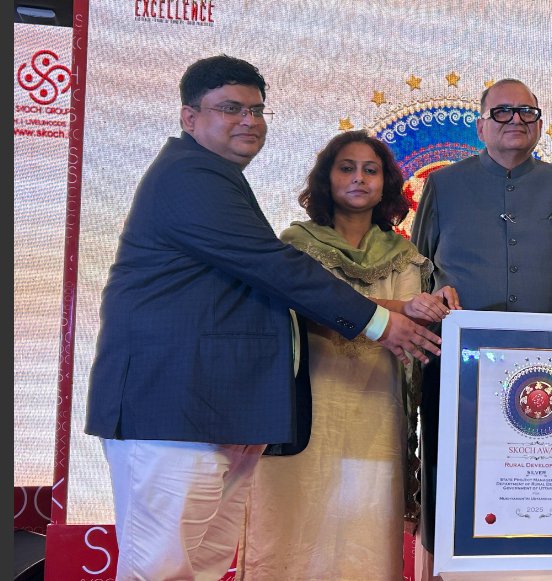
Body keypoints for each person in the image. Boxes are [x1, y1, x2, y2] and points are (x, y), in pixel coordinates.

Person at [84, 56, 441, 581]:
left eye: (256, 110)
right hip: (171, 408)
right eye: (231, 108)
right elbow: (274, 268)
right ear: (189, 117)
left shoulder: (219, 178)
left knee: (202, 566)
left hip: (217, 411)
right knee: (159, 568)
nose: (249, 121)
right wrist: (382, 324)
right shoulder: (189, 175)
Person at [240, 131, 459, 580]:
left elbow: (415, 330)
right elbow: (304, 312)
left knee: (365, 530)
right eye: (347, 168)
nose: (359, 178)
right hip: (307, 406)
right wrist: (401, 309)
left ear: (386, 184)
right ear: (327, 178)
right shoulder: (297, 244)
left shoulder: (406, 257)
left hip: (377, 408)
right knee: (295, 524)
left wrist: (439, 305)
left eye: (370, 170)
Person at [410, 78, 552, 577]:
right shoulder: (444, 185)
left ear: (540, 123)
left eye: (527, 112)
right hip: (459, 366)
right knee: (452, 479)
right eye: (502, 111)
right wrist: (430, 298)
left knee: (543, 484)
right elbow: (417, 267)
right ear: (480, 125)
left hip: (549, 372)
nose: (516, 120)